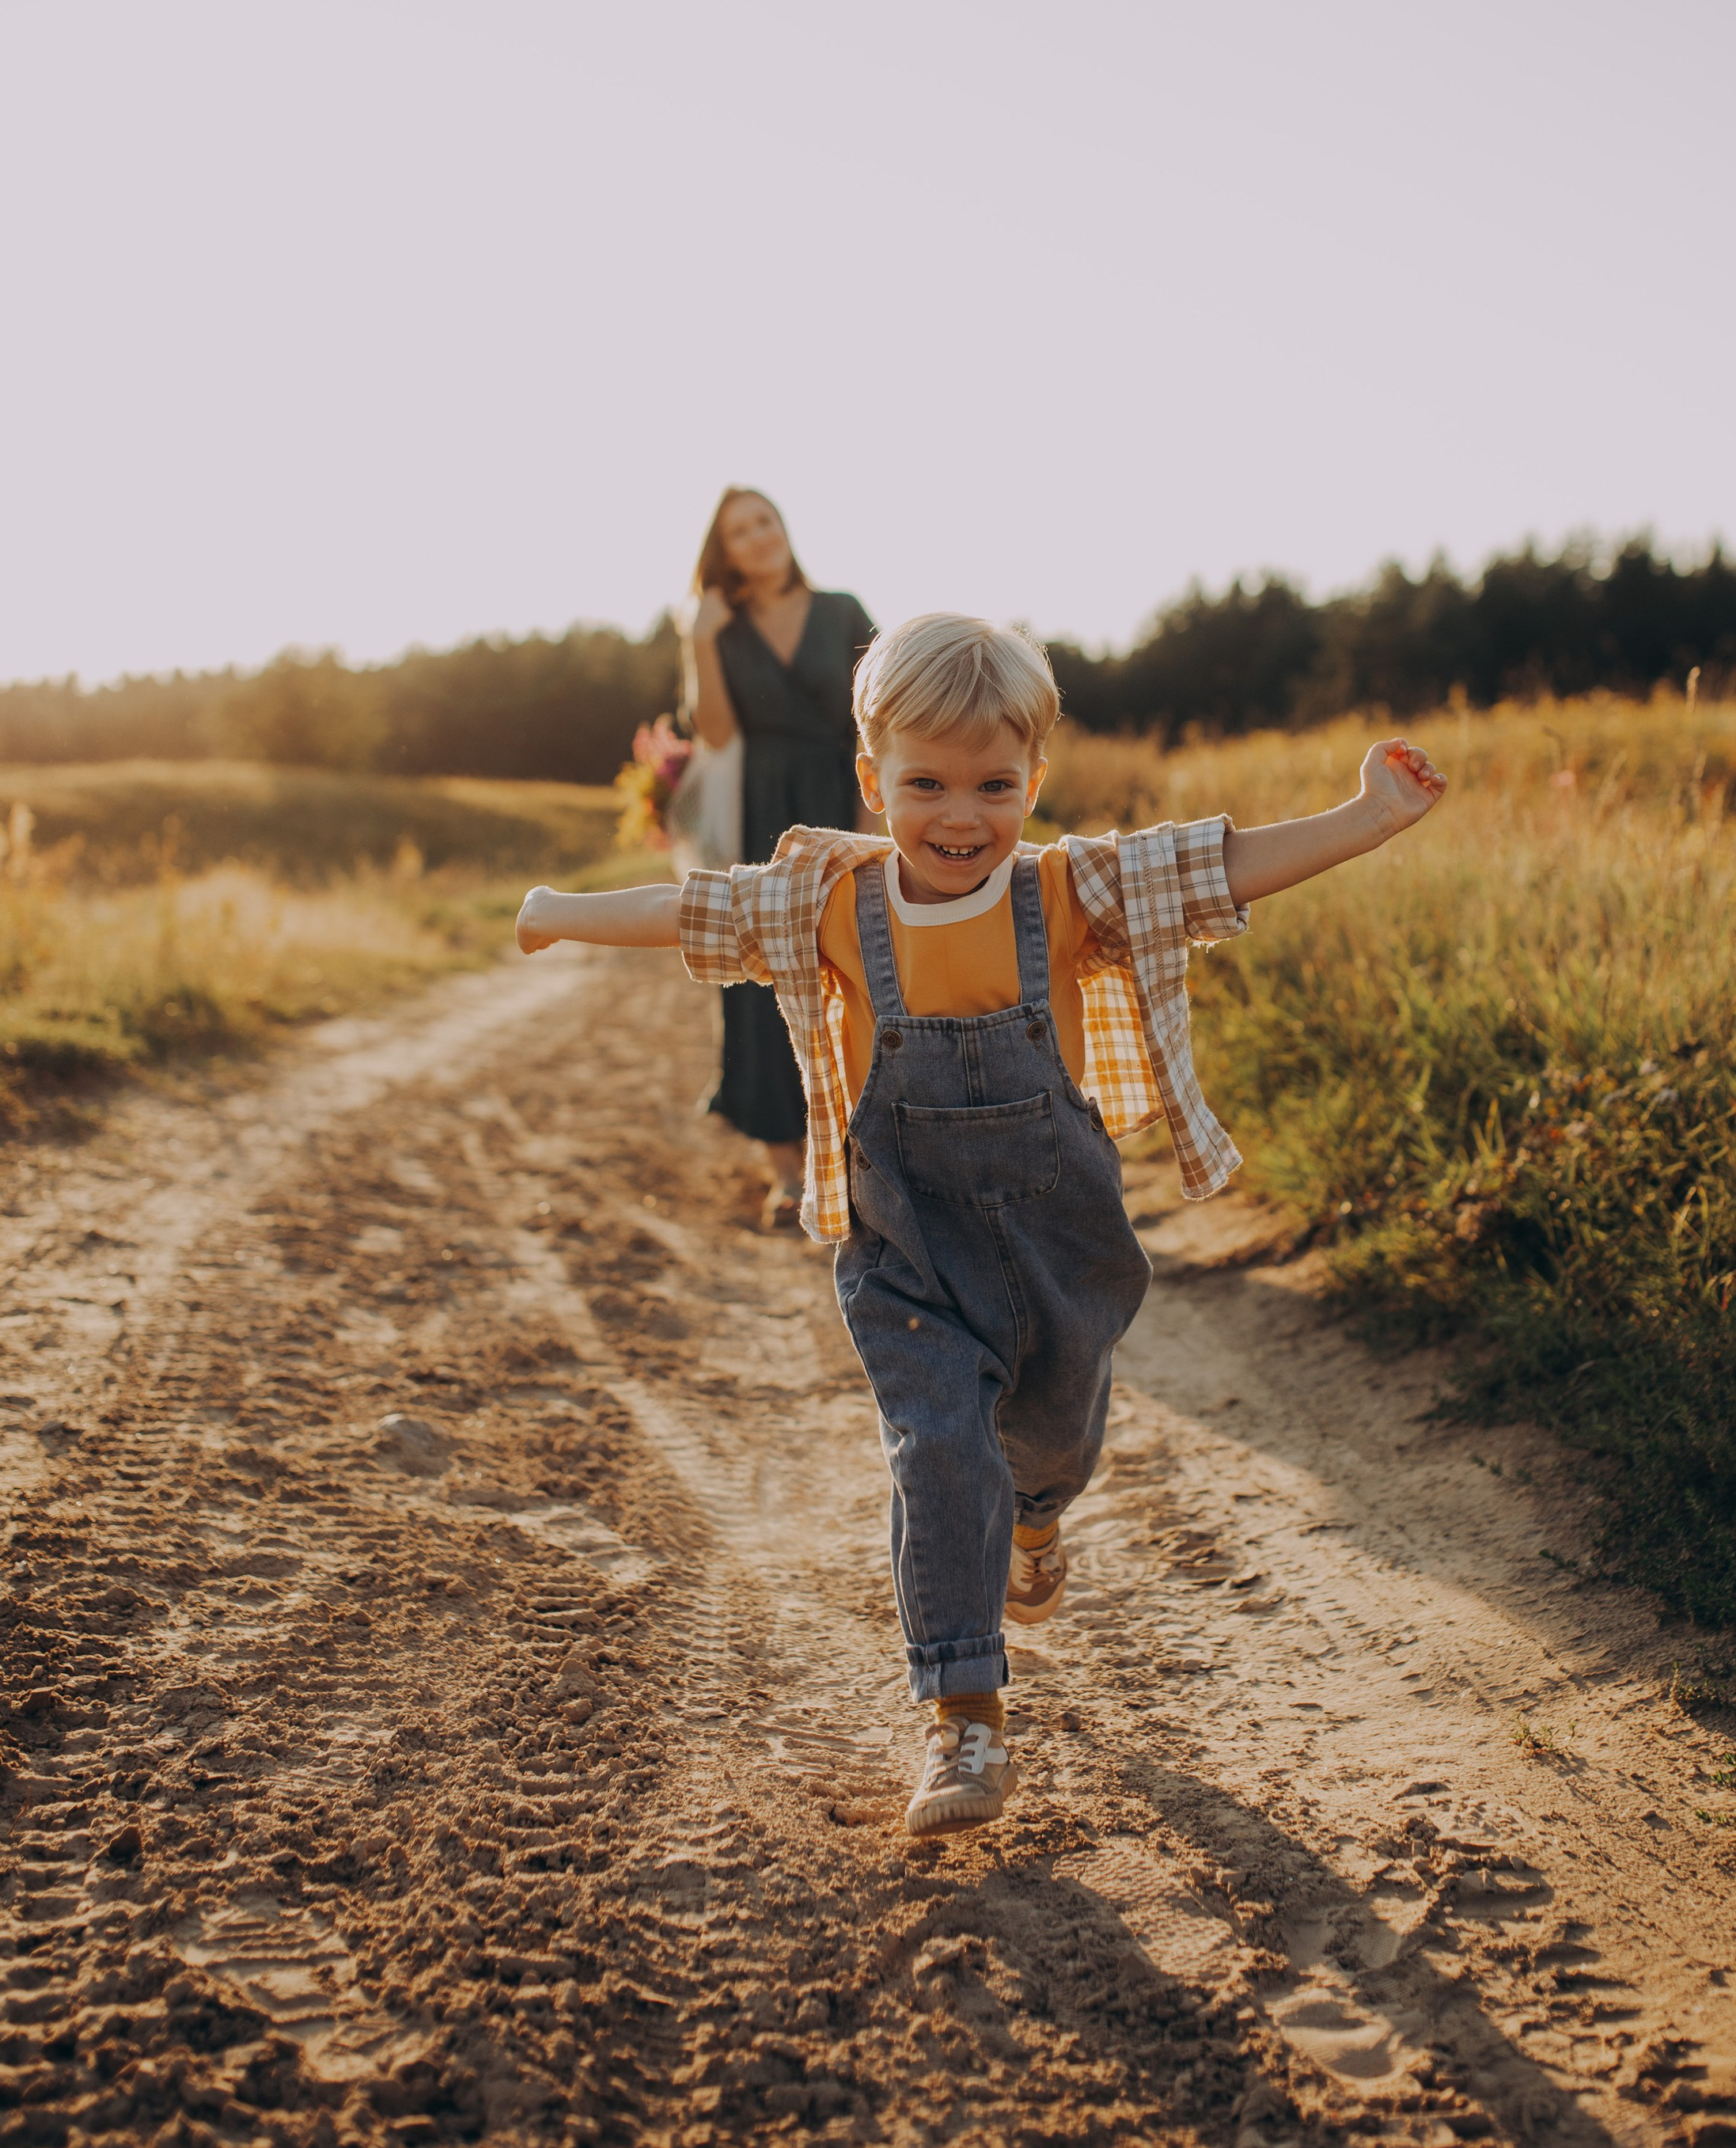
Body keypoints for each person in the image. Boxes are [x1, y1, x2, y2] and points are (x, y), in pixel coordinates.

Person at [516, 613, 1446, 1837]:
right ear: (873, 782)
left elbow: (1215, 868)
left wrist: (1366, 817)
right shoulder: (833, 907)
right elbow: (695, 911)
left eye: (995, 785)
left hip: (1061, 1240)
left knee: (1049, 1445)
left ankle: (1042, 1523)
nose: (962, 816)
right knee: (939, 1448)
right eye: (928, 784)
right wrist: (562, 908)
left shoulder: (1065, 891)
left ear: (1035, 784)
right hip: (906, 1248)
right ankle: (963, 1718)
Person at [678, 488, 875, 1229]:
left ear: (783, 528)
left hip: (843, 792)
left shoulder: (844, 611)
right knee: (763, 976)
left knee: (858, 968)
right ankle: (789, 1171)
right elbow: (719, 735)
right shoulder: (722, 634)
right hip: (762, 817)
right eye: (739, 531)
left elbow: (878, 719)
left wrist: (870, 825)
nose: (757, 537)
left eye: (763, 521)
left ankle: (864, 1155)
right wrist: (701, 637)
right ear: (723, 553)